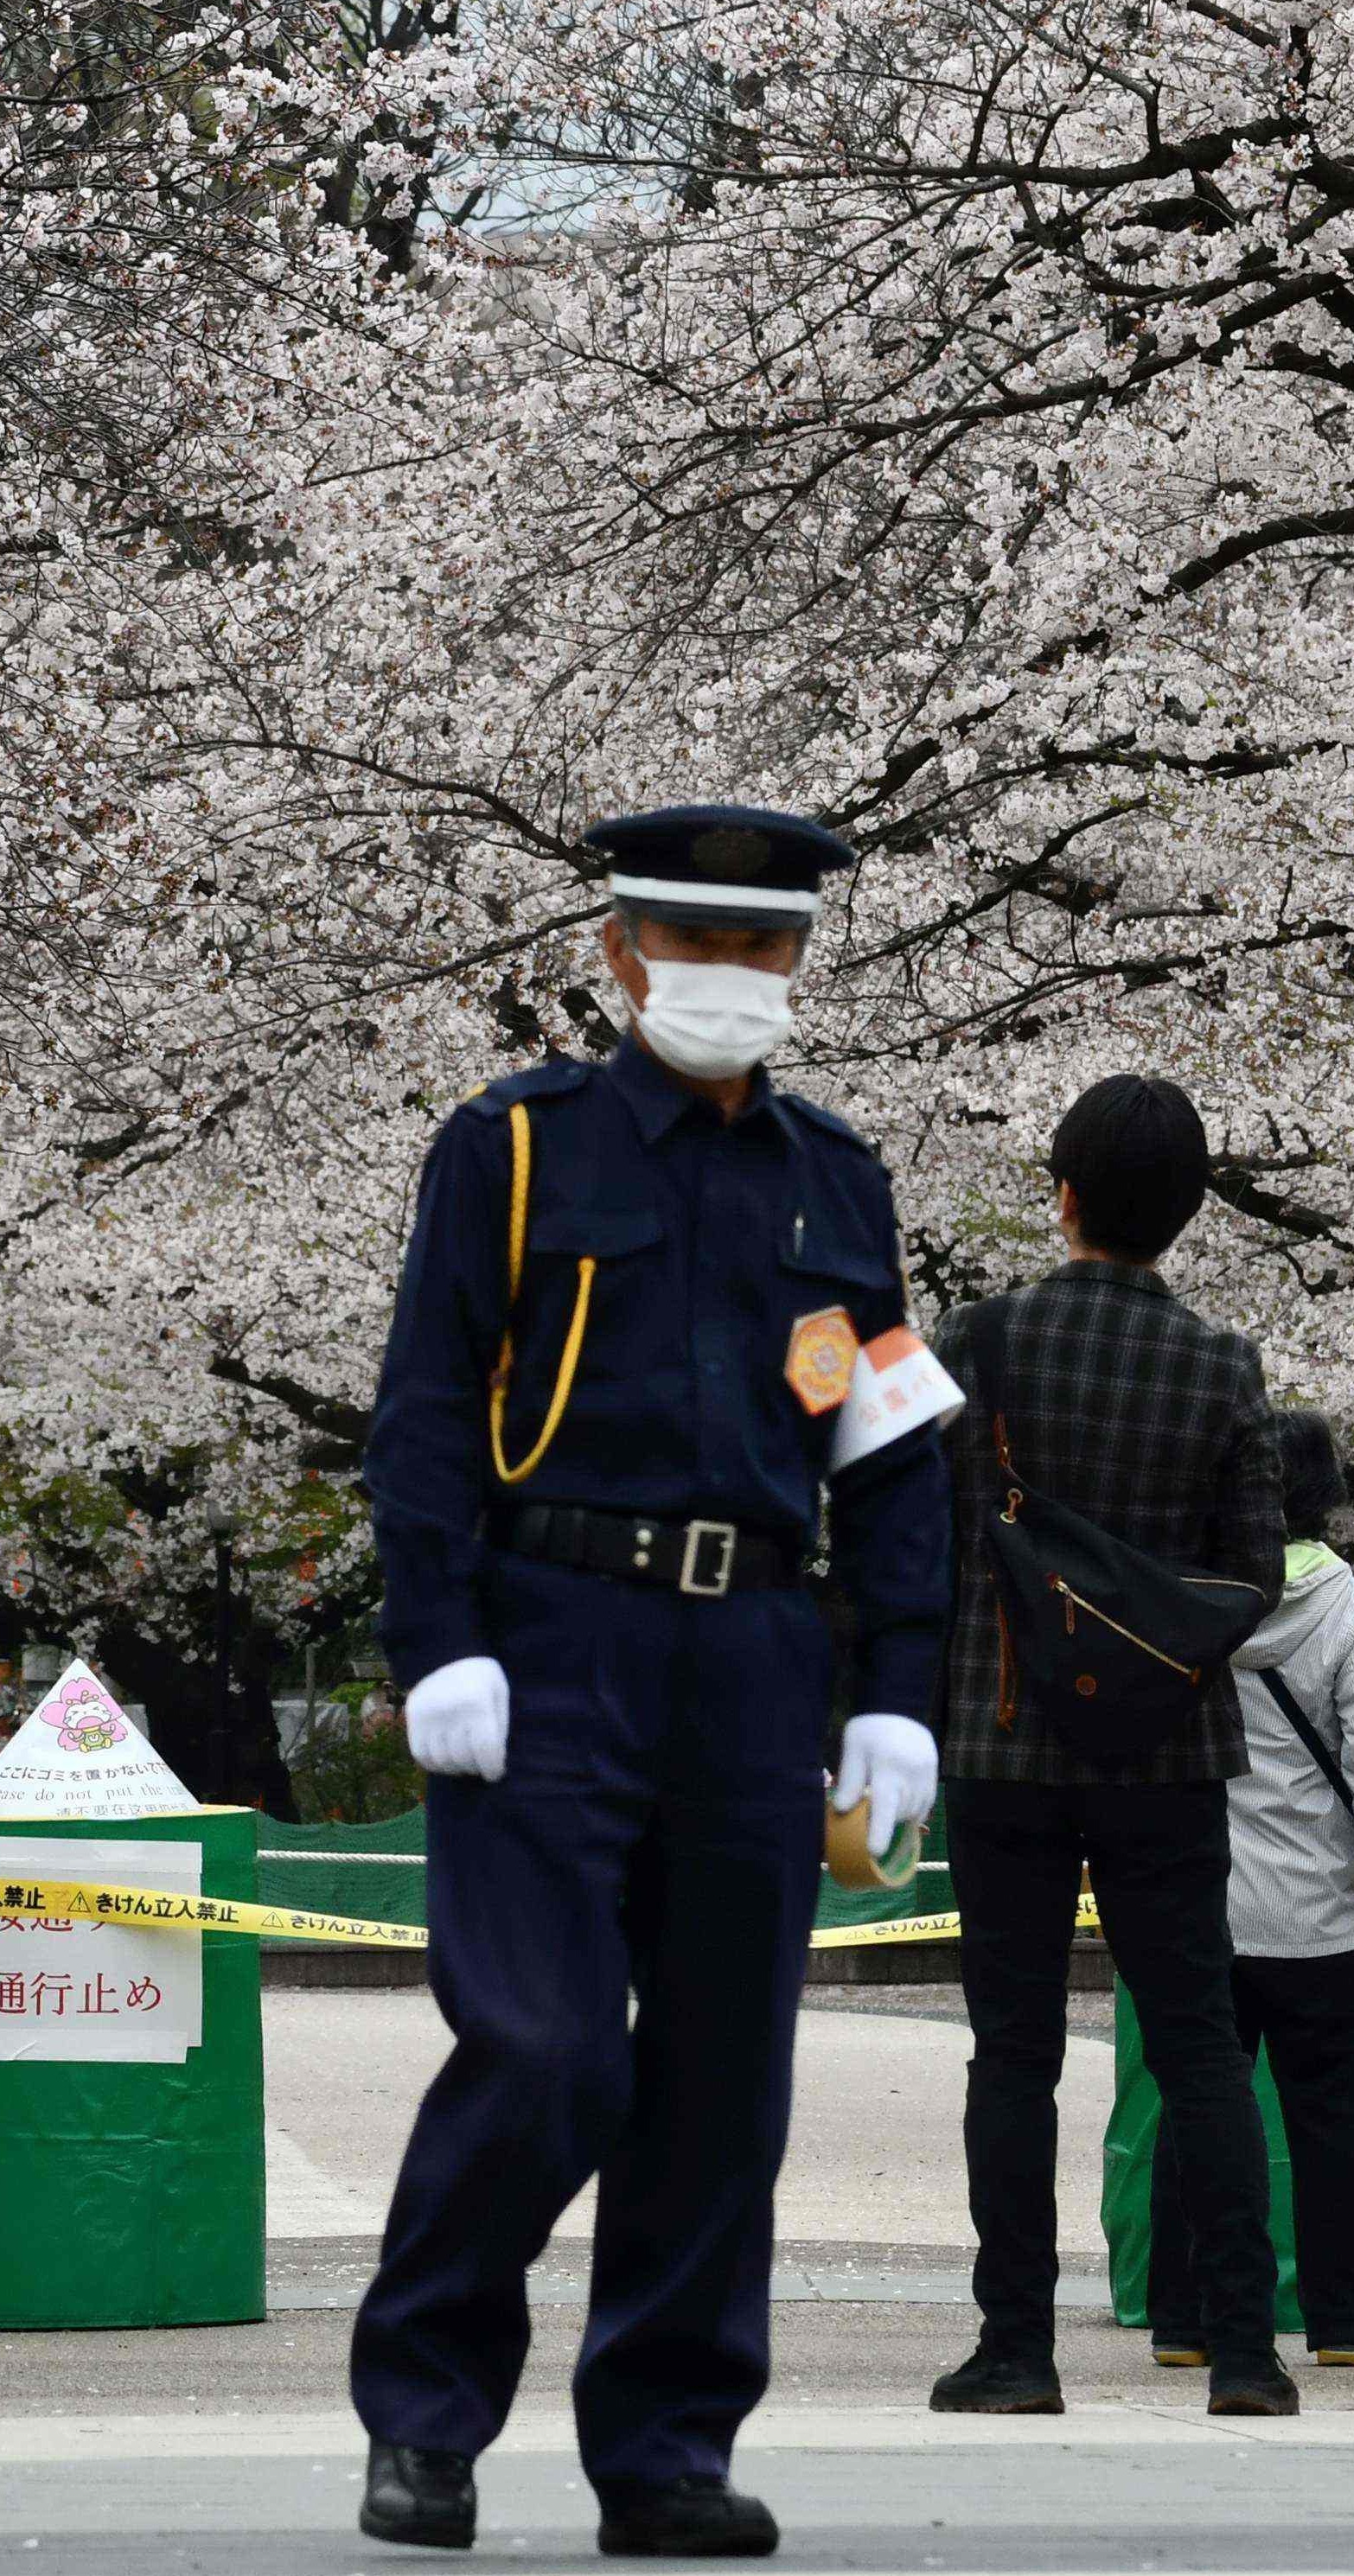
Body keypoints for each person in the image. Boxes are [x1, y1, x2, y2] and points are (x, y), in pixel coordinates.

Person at [349, 803, 955, 2561]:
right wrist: (434, 1634)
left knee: (718, 2077)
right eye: (695, 944)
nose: (729, 976)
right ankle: (426, 2410)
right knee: (543, 2050)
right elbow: (424, 1410)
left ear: (799, 961)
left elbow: (887, 1444)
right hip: (548, 1640)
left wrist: (897, 1684)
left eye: (763, 946)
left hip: (756, 1656)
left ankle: (669, 2441)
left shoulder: (837, 1180)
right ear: (621, 953)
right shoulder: (511, 1148)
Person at [923, 1075, 1291, 2420]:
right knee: (1196, 2045)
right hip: (1167, 1752)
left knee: (1012, 2049)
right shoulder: (1222, 1366)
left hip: (1002, 1735)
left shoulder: (979, 1340)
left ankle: (1016, 2347)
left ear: (1061, 1191)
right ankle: (1242, 2355)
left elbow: (904, 1518)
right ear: (1186, 1216)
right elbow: (1254, 1574)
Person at [1154, 1407, 1354, 2374]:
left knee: (1199, 2104)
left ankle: (1186, 2319)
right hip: (1321, 1914)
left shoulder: (1184, 1594)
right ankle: (1347, 2322)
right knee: (1329, 2120)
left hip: (1201, 1907)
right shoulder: (1348, 1607)